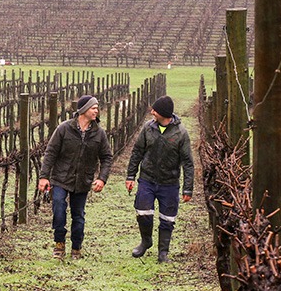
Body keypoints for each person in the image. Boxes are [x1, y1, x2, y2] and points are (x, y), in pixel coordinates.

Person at [38, 95, 114, 259]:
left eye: (97, 108)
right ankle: (59, 244)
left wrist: (102, 178)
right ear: (84, 110)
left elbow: (107, 157)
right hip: (61, 178)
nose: (96, 111)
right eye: (93, 108)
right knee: (59, 209)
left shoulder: (99, 134)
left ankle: (76, 247)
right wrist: (44, 177)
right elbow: (50, 153)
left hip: (83, 181)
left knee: (78, 215)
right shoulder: (64, 129)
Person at [124, 95, 194, 263]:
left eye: (155, 110)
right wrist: (131, 175)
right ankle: (146, 241)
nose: (152, 112)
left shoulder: (181, 133)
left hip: (169, 183)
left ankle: (163, 252)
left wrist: (188, 188)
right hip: (147, 179)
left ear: (163, 113)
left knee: (167, 219)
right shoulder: (147, 128)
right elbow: (137, 152)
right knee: (143, 212)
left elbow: (188, 162)